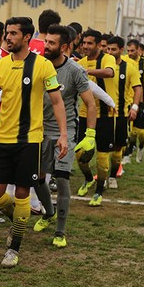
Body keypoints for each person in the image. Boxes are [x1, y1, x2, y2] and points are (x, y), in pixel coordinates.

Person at [0, 16, 68, 268]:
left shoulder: (43, 65)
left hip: (30, 141)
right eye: (7, 32)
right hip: (3, 140)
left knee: (23, 193)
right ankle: (19, 222)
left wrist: (63, 134)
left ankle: (14, 248)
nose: (8, 37)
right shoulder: (0, 66)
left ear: (26, 37)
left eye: (13, 33)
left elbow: (57, 102)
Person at [33, 25, 96, 248]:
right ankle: (48, 212)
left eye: (51, 43)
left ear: (65, 47)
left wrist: (90, 134)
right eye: (46, 41)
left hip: (65, 131)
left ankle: (60, 230)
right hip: (38, 130)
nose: (46, 46)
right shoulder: (37, 65)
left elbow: (90, 103)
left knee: (61, 178)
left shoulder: (75, 71)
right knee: (37, 178)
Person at [76, 29, 116, 206]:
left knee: (102, 157)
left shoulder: (108, 58)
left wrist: (86, 70)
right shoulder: (81, 61)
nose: (85, 46)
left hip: (106, 115)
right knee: (80, 155)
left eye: (89, 43)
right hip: (85, 115)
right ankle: (87, 178)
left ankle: (99, 190)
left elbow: (109, 73)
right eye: (83, 43)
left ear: (99, 45)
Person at [105, 36, 142, 189]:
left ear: (121, 50)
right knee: (102, 148)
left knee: (118, 147)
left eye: (113, 49)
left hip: (121, 114)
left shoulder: (130, 68)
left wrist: (134, 107)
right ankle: (101, 174)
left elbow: (137, 88)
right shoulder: (102, 65)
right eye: (108, 49)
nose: (110, 52)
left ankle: (112, 176)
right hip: (103, 115)